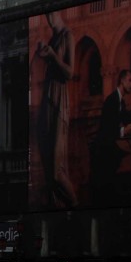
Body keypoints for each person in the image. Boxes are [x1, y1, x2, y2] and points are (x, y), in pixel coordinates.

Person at [36, 11, 77, 208]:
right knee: (47, 166)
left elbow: (69, 72)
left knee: (56, 170)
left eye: (51, 13)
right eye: (46, 15)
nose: (49, 18)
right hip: (48, 98)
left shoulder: (67, 36)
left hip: (60, 98)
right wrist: (44, 54)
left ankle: (75, 207)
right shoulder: (53, 38)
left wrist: (53, 56)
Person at [92, 69, 131, 186]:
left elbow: (125, 118)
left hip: (110, 143)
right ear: (122, 81)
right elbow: (107, 128)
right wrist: (124, 130)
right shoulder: (112, 100)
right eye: (130, 80)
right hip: (104, 147)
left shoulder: (120, 100)